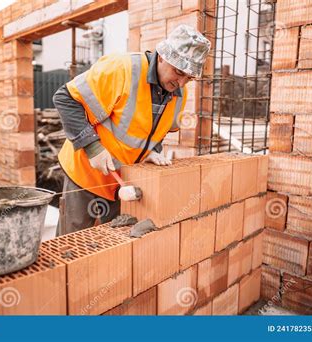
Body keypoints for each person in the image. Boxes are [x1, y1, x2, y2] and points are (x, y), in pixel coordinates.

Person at [53, 24, 211, 236]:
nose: (182, 82)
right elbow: (65, 98)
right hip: (85, 174)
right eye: (179, 72)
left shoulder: (178, 93)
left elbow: (158, 131)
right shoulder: (122, 69)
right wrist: (92, 148)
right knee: (70, 246)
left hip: (122, 184)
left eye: (189, 78)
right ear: (162, 56)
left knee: (113, 246)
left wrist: (153, 150)